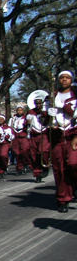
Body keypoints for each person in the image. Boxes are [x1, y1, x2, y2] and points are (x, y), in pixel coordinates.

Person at [48, 71, 77, 212]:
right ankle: (63, 200)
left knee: (73, 163)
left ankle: (73, 186)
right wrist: (47, 116)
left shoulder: (75, 95)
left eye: (67, 78)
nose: (64, 80)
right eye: (62, 78)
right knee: (59, 168)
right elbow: (45, 118)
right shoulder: (53, 95)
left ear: (71, 80)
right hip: (57, 136)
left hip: (73, 135)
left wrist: (65, 106)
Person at [27, 97, 48, 183]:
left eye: (40, 103)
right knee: (34, 155)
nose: (38, 105)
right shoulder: (31, 112)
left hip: (44, 134)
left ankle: (45, 166)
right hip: (34, 135)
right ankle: (37, 174)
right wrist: (27, 122)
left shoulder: (46, 111)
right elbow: (27, 124)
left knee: (43, 152)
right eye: (37, 103)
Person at [9, 104, 31, 175]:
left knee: (25, 151)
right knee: (17, 153)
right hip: (16, 137)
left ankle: (26, 164)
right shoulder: (13, 119)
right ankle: (19, 168)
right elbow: (10, 127)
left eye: (21, 110)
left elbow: (29, 127)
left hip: (23, 136)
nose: (19, 111)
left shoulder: (26, 118)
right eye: (18, 110)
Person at [0, 114, 13, 179]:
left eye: (2, 119)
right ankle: (0, 171)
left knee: (3, 155)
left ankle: (5, 166)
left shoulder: (7, 128)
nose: (0, 120)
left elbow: (11, 136)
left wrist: (8, 137)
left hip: (5, 143)